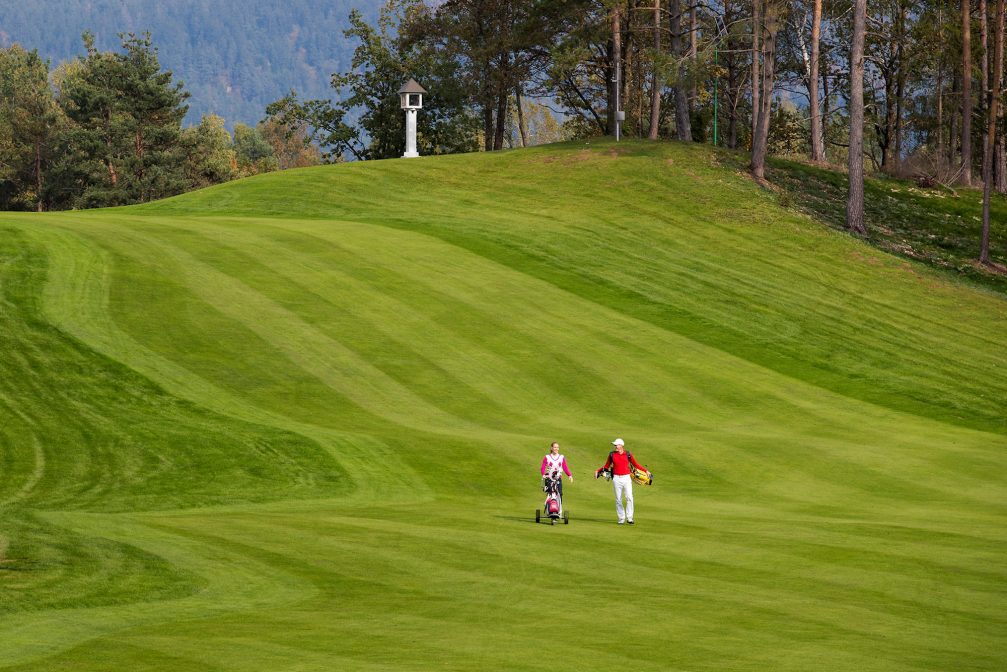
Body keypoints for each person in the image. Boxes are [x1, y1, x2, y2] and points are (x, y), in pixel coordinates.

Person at [595, 438, 647, 525]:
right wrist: (598, 471)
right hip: (616, 478)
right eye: (615, 445)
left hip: (626, 478)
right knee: (618, 499)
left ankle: (630, 518)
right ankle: (621, 518)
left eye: (617, 445)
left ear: (621, 446)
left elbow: (636, 465)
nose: (615, 446)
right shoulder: (612, 455)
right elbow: (606, 466)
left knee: (629, 497)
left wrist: (646, 471)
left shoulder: (628, 454)